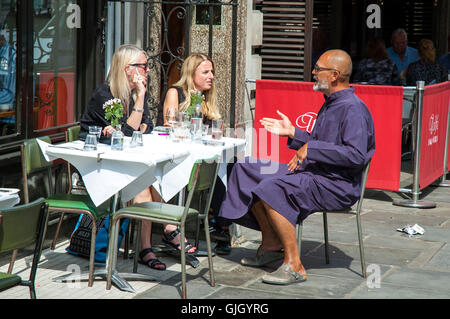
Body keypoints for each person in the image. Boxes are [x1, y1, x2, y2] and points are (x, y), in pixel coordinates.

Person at [218, 49, 375, 285]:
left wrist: (311, 149)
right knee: (246, 167)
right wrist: (294, 133)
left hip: (336, 185)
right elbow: (326, 143)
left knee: (273, 188)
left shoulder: (352, 108)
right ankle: (271, 244)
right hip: (315, 174)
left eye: (318, 68)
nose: (313, 72)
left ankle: (294, 265)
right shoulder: (332, 103)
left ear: (334, 75)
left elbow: (355, 155)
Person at [79, 44, 197, 270]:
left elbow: (148, 126)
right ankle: (152, 242)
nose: (148, 71)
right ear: (127, 69)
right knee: (145, 181)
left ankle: (150, 243)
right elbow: (126, 134)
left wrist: (132, 126)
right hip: (96, 168)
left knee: (152, 176)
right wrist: (139, 105)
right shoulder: (104, 94)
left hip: (123, 162)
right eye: (144, 66)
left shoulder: (132, 95)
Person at [156, 53, 232, 254]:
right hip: (174, 158)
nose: (212, 76)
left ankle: (220, 224)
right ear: (191, 74)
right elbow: (168, 125)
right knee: (221, 168)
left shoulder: (207, 97)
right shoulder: (176, 92)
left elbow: (214, 131)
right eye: (205, 72)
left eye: (212, 72)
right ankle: (217, 224)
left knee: (233, 165)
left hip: (198, 157)